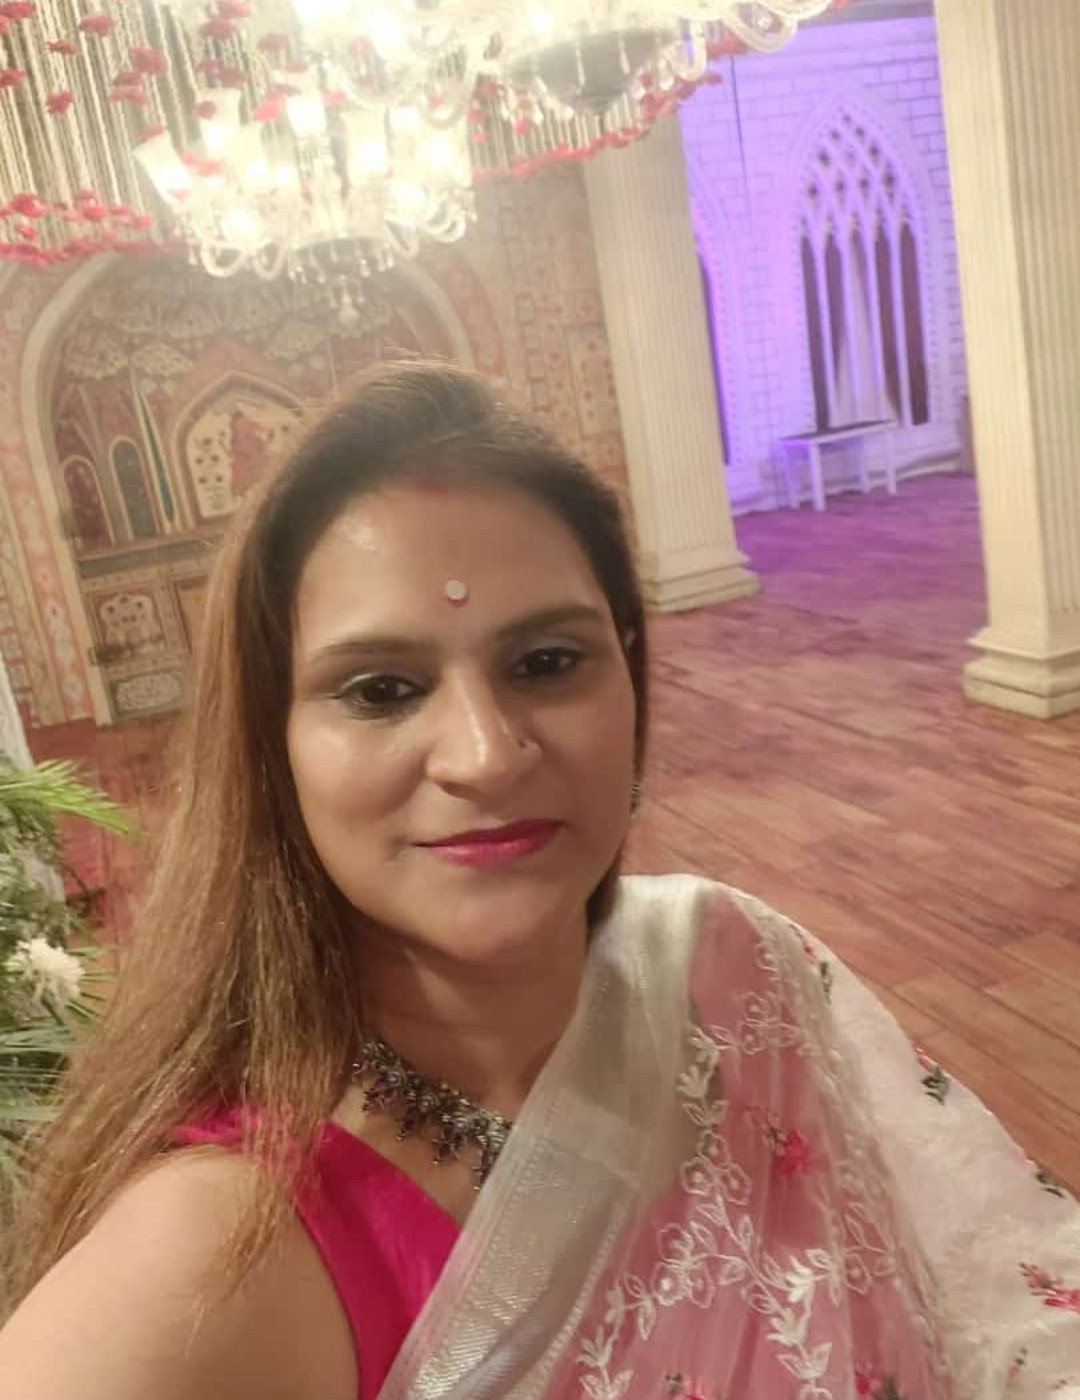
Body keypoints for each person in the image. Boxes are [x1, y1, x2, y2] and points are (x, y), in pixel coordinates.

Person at [0, 362, 1076, 1400]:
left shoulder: (731, 961)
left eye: (546, 663)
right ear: (270, 747)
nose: (484, 754)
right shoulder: (213, 1255)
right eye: (380, 689)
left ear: (631, 674)